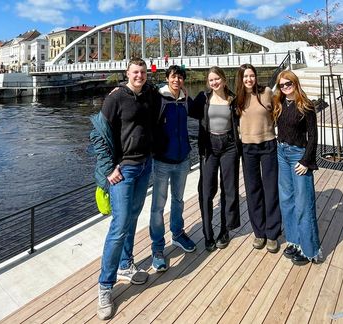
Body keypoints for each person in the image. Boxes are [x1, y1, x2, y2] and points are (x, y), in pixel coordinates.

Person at [90, 58, 158, 320]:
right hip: (123, 170)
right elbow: (97, 133)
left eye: (142, 72)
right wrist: (109, 169)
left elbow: (167, 98)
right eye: (135, 72)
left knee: (132, 217)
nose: (139, 76)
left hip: (145, 166)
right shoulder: (116, 98)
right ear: (127, 74)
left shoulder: (150, 94)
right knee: (119, 225)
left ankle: (125, 264)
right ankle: (105, 287)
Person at [149, 65, 197, 272]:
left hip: (183, 159)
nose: (176, 80)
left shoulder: (185, 99)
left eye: (180, 77)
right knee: (158, 206)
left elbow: (203, 110)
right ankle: (158, 248)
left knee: (178, 199)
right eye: (173, 77)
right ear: (167, 78)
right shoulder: (158, 98)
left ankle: (177, 234)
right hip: (162, 161)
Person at [272, 70, 321, 266]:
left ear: (295, 83)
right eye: (282, 85)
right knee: (287, 201)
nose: (285, 88)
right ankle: (294, 241)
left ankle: (309, 249)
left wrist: (306, 161)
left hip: (298, 156)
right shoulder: (280, 103)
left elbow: (313, 137)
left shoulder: (306, 105)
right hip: (281, 153)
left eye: (288, 84)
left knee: (303, 203)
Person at [193, 66, 241, 252]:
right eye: (211, 80)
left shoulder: (233, 99)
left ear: (224, 79)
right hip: (209, 147)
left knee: (228, 189)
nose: (214, 82)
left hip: (229, 145)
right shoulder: (203, 99)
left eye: (217, 79)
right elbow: (182, 107)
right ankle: (208, 233)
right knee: (207, 191)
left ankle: (224, 230)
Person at [235, 63, 281, 253]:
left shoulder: (267, 92)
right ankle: (259, 232)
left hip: (268, 144)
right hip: (248, 148)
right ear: (241, 78)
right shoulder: (237, 98)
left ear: (256, 77)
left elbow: (278, 112)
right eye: (245, 76)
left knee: (270, 189)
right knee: (253, 190)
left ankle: (272, 233)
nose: (249, 79)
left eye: (251, 76)